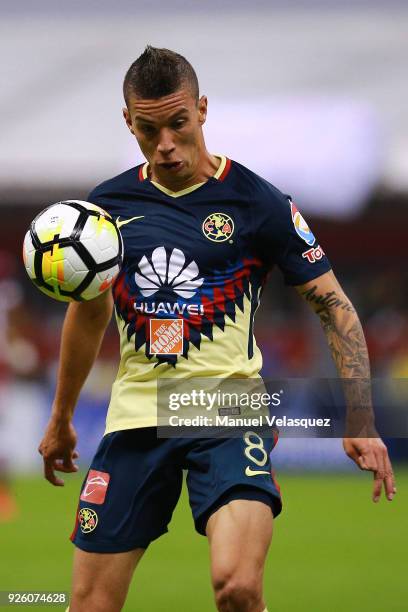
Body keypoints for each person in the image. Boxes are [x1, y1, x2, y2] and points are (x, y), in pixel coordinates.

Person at [39, 46, 396, 612]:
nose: (165, 145)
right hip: (138, 418)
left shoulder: (258, 201)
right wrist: (60, 419)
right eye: (148, 129)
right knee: (88, 605)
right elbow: (87, 314)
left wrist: (361, 417)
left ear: (202, 110)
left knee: (238, 588)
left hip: (229, 417)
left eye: (178, 123)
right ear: (128, 122)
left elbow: (335, 306)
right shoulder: (106, 209)